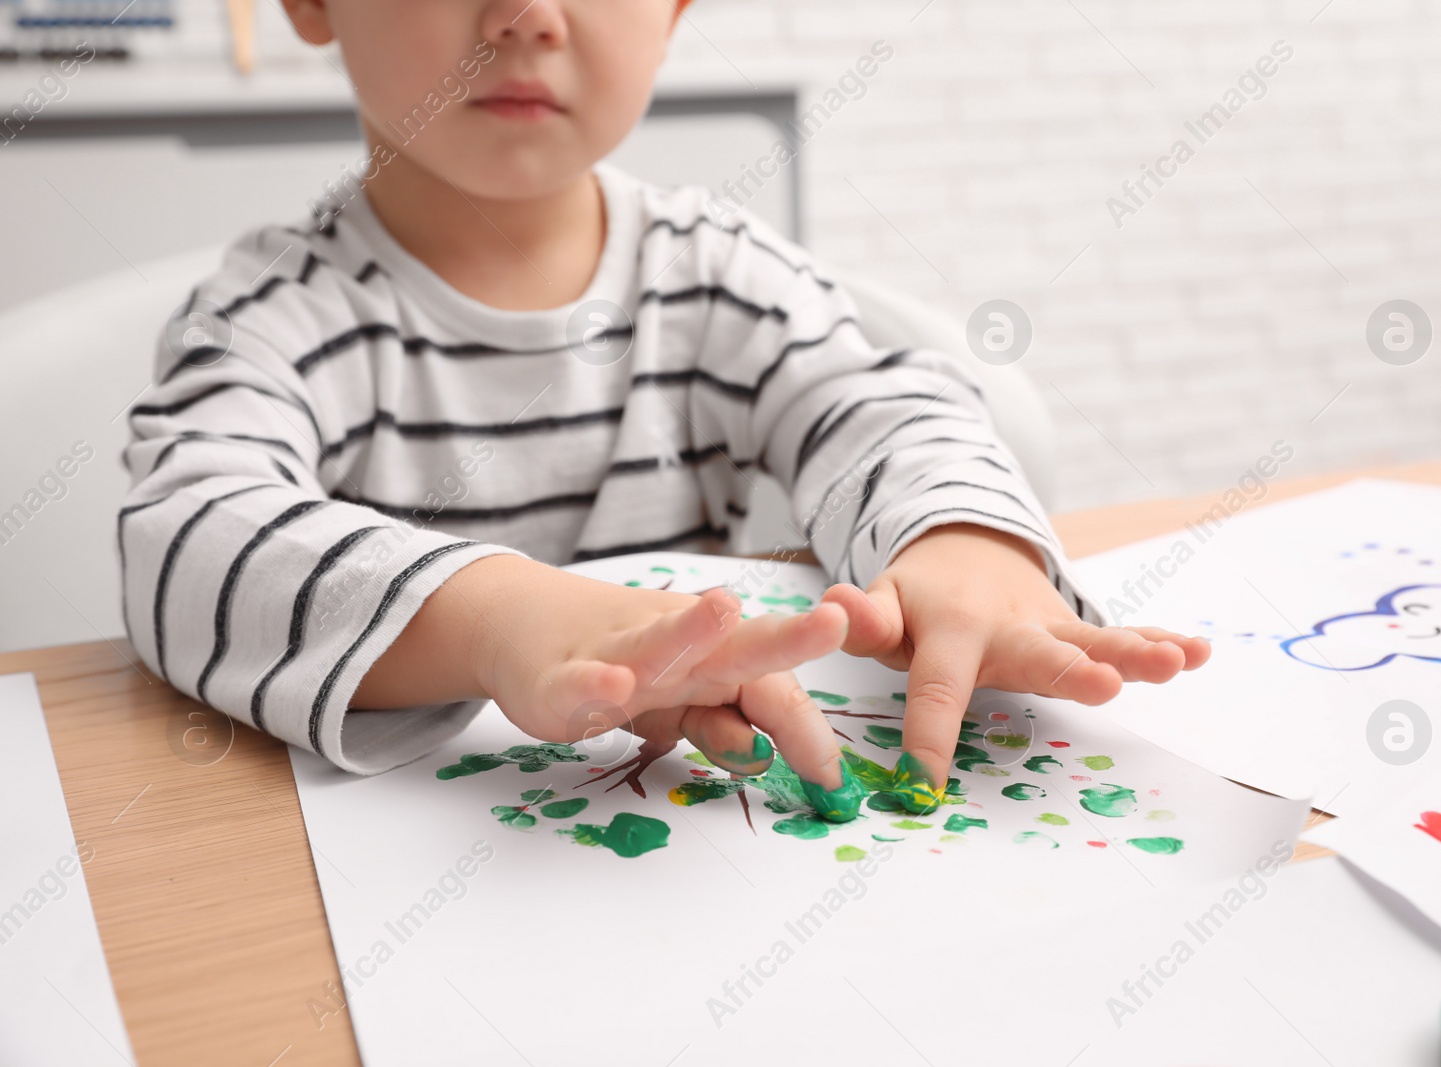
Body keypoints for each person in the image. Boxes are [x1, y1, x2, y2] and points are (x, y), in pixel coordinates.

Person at [120, 0, 1208, 822]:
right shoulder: (270, 318)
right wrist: (505, 625)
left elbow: (877, 404)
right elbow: (186, 536)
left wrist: (961, 537)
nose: (526, 16)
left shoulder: (716, 275)